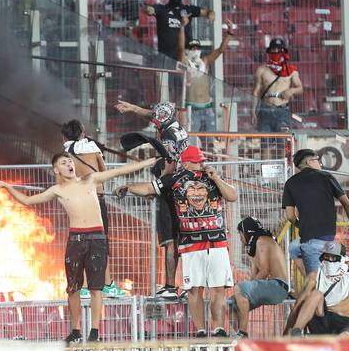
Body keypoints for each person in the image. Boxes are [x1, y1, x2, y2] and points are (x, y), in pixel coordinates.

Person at [0, 153, 157, 343]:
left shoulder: (90, 179)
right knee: (73, 289)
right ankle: (75, 331)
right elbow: (28, 201)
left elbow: (120, 170)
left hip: (97, 238)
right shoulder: (57, 189)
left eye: (70, 161)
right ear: (57, 170)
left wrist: (150, 161)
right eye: (64, 163)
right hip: (76, 240)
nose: (69, 164)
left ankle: (94, 331)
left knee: (96, 288)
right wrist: (6, 186)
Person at [116, 145, 238, 337]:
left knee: (218, 289)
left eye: (202, 160)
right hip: (190, 244)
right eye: (198, 161)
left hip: (217, 243)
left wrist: (216, 177)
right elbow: (150, 187)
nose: (202, 163)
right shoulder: (174, 179)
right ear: (187, 162)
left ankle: (218, 329)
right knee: (194, 290)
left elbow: (233, 196)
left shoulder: (212, 178)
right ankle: (199, 330)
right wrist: (128, 187)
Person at [114, 100, 189, 298]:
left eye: (156, 120)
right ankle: (184, 286)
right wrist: (134, 108)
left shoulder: (168, 135)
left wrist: (157, 186)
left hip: (171, 189)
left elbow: (170, 165)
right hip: (182, 187)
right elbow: (152, 113)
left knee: (170, 239)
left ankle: (171, 287)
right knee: (181, 239)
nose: (154, 122)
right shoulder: (177, 127)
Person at [60, 119, 125, 298]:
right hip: (97, 199)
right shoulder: (93, 149)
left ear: (63, 136)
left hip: (79, 201)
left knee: (82, 242)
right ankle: (107, 284)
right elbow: (103, 173)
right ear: (82, 132)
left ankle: (85, 288)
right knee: (101, 242)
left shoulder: (66, 156)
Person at [283, 148, 349, 277]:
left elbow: (290, 216)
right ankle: (311, 283)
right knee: (317, 285)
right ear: (309, 161)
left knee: (293, 249)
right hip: (328, 241)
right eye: (318, 161)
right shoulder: (326, 176)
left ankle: (309, 280)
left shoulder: (290, 183)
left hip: (309, 240)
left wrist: (302, 225)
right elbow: (346, 203)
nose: (320, 164)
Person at [231, 217, 289, 338]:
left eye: (240, 233)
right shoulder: (254, 248)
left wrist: (243, 289)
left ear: (246, 232)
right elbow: (254, 278)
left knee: (239, 289)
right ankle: (239, 337)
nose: (240, 237)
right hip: (272, 286)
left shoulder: (262, 241)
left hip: (278, 286)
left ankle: (242, 333)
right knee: (231, 305)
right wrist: (244, 291)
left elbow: (265, 271)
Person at [177, 16, 234, 134]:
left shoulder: (205, 61)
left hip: (207, 108)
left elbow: (221, 49)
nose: (195, 50)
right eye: (192, 48)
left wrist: (230, 32)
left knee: (210, 140)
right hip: (191, 108)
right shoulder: (185, 62)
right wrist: (182, 27)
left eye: (197, 47)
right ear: (188, 49)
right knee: (192, 138)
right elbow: (181, 48)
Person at [285, 241, 349, 336]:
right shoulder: (314, 276)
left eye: (334, 257)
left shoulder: (346, 278)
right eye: (326, 257)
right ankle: (296, 331)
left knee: (345, 335)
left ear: (343, 259)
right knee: (316, 294)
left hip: (342, 323)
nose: (329, 260)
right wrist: (286, 331)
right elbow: (298, 306)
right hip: (321, 320)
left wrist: (331, 308)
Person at [145, 0, 215, 61]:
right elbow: (150, 9)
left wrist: (211, 14)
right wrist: (148, 9)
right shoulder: (162, 9)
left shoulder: (188, 9)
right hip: (166, 57)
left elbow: (208, 12)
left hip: (185, 57)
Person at [251, 38, 302, 149]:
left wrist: (291, 90)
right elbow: (256, 92)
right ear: (269, 52)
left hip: (282, 109)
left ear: (283, 51)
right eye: (273, 50)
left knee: (282, 144)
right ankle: (265, 166)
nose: (275, 52)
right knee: (265, 144)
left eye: (278, 50)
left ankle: (281, 165)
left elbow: (300, 88)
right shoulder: (262, 70)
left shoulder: (291, 70)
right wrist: (253, 112)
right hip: (265, 109)